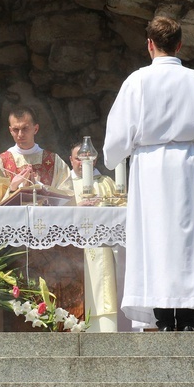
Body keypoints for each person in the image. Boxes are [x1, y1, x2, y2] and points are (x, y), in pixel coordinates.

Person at [103, 16, 194, 331]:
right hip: (186, 165)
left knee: (153, 238)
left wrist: (114, 156)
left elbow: (117, 138)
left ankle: (163, 318)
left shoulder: (137, 81)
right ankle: (185, 318)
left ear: (149, 45)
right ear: (180, 45)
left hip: (149, 166)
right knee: (184, 238)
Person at [68, 142, 119, 332]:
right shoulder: (64, 183)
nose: (83, 163)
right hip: (72, 250)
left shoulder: (106, 183)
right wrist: (75, 207)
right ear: (71, 160)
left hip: (101, 248)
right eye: (78, 158)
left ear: (95, 160)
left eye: (88, 158)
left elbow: (120, 208)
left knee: (102, 290)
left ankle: (105, 328)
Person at [0, 106, 72, 195]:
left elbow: (68, 194)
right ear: (10, 130)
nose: (20, 134)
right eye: (16, 130)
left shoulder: (55, 161)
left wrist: (38, 186)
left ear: (35, 129)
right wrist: (13, 187)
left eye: (25, 128)